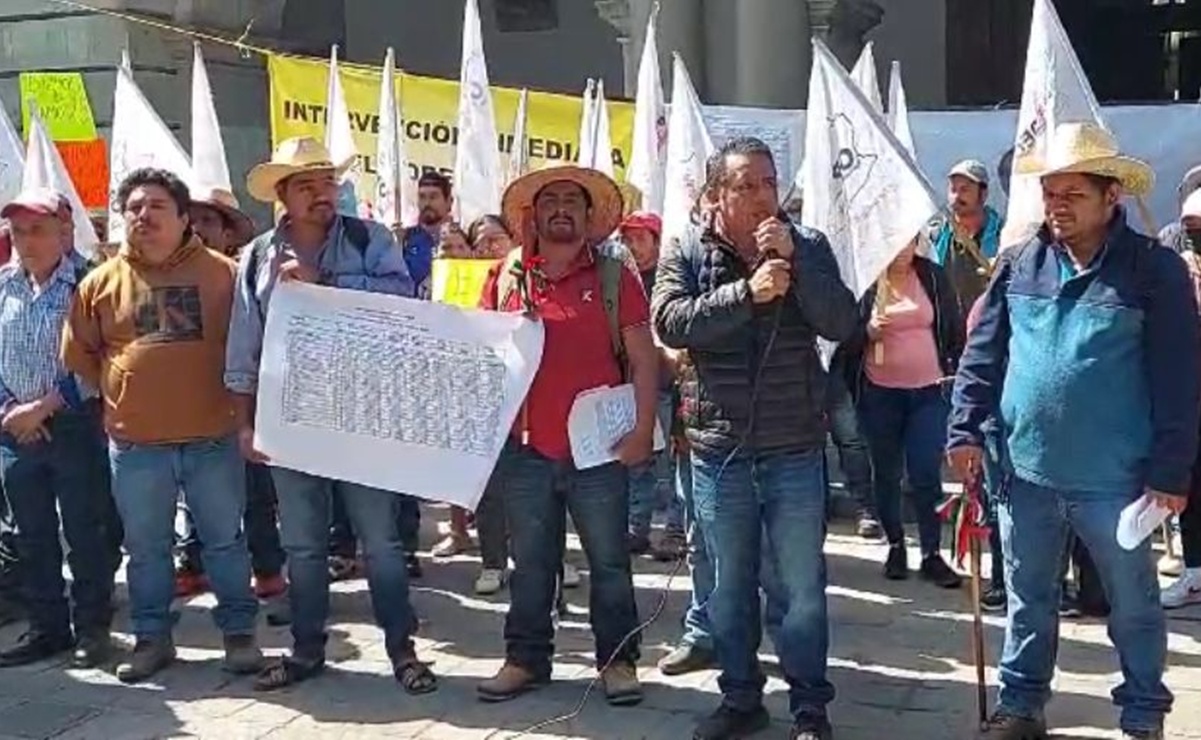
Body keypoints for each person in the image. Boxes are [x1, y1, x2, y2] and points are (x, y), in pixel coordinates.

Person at [948, 123, 1200, 740]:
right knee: (1029, 601)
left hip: (1116, 482)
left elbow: (1180, 378)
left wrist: (1172, 471)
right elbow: (982, 356)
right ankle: (1021, 706)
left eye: (1073, 194)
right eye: (1050, 193)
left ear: (1111, 196)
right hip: (1024, 475)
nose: (1057, 206)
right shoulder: (1018, 264)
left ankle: (1143, 714)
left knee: (1134, 606)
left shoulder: (1154, 271)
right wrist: (963, 431)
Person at [652, 136, 858, 740]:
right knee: (730, 584)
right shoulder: (685, 249)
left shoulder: (808, 246)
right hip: (720, 451)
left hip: (794, 445)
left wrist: (794, 269)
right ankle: (741, 697)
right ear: (716, 196)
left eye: (769, 182)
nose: (763, 195)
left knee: (800, 587)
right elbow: (671, 322)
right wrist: (747, 294)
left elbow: (843, 322)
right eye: (746, 185)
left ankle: (810, 706)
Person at [227, 137, 434, 694]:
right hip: (290, 413)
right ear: (283, 197)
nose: (322, 194)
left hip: (363, 410)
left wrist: (328, 286)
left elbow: (404, 302)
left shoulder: (371, 239)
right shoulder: (257, 257)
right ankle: (307, 648)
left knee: (381, 540)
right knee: (302, 543)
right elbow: (244, 345)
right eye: (307, 185)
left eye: (327, 182)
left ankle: (401, 647)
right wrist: (245, 422)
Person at [61, 168, 262, 684]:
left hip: (212, 438)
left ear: (182, 217)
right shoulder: (99, 282)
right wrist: (124, 387)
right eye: (133, 208)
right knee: (146, 549)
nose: (142, 216)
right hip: (136, 445)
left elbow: (251, 347)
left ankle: (239, 635)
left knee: (224, 542)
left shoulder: (224, 274)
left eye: (155, 207)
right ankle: (153, 640)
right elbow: (80, 354)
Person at [475, 163, 654, 706]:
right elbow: (478, 354)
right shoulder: (504, 277)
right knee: (530, 563)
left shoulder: (613, 277)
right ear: (532, 215)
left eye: (570, 202)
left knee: (609, 562)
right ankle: (525, 659)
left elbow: (644, 359)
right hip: (526, 450)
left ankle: (618, 661)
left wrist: (643, 430)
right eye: (549, 200)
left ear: (587, 214)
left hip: (599, 448)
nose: (559, 209)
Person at [0, 189, 114, 669]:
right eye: (18, 231)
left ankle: (93, 628)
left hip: (73, 425)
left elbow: (101, 360)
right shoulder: (4, 285)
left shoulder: (89, 283)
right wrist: (10, 410)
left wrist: (43, 408)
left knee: (85, 533)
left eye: (38, 230)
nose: (26, 241)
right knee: (31, 534)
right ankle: (48, 628)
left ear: (65, 231)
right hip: (13, 431)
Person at [175, 187, 287, 602]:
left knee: (255, 492)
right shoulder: (170, 275)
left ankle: (268, 567)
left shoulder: (244, 274)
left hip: (245, 400)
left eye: (209, 221)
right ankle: (193, 561)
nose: (200, 229)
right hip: (192, 402)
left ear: (227, 232)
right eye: (194, 220)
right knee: (193, 494)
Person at [838, 240, 964, 587]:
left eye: (910, 241)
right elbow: (842, 336)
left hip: (929, 391)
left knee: (925, 470)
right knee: (886, 472)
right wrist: (865, 332)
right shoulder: (867, 280)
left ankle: (931, 553)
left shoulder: (932, 276)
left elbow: (952, 328)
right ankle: (895, 545)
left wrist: (954, 369)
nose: (903, 249)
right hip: (880, 393)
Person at [618, 210, 686, 559]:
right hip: (629, 381)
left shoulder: (670, 278)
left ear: (658, 242)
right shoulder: (620, 279)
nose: (632, 246)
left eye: (639, 239)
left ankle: (676, 529)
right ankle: (636, 528)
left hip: (667, 381)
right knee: (636, 459)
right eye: (626, 239)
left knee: (671, 461)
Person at [926, 159, 1003, 314]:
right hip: (947, 330)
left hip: (987, 328)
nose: (957, 196)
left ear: (983, 194)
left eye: (964, 190)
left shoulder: (1003, 237)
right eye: (953, 190)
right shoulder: (936, 236)